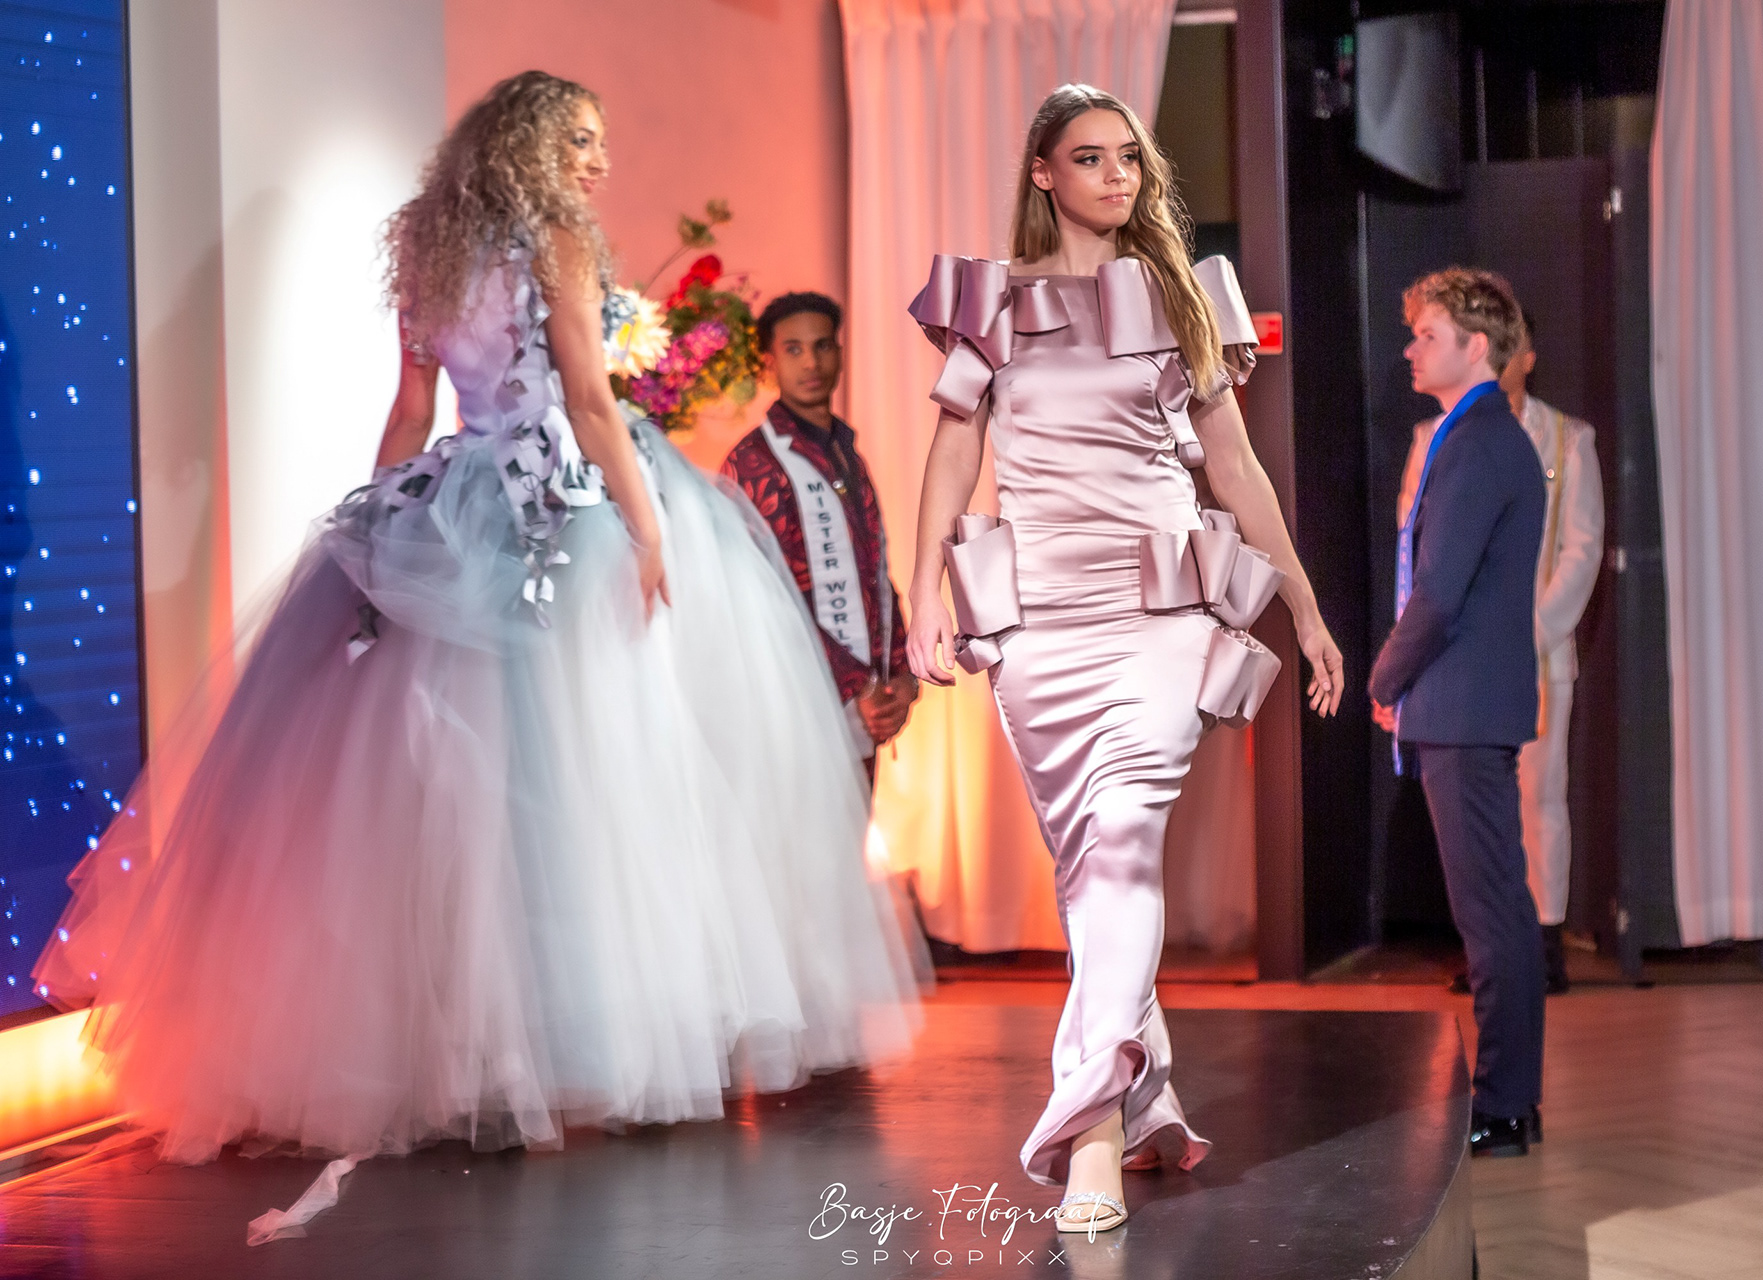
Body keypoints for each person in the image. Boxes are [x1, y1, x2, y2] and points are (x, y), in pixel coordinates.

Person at [33, 70, 918, 1236]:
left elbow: (414, 410)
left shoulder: (430, 245)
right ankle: (577, 1039)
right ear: (536, 144)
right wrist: (650, 526)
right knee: (588, 786)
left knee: (469, 801)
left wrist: (379, 525)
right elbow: (589, 401)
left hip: (461, 500)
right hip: (564, 509)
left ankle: (475, 1053)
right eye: (583, 138)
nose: (600, 159)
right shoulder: (555, 236)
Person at [905, 83, 1344, 1234]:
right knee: (1092, 870)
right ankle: (1147, 1101)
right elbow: (953, 455)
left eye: (1131, 160)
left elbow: (1235, 470)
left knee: (1126, 847)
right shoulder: (993, 304)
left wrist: (1303, 606)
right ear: (1042, 172)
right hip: (1039, 626)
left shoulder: (1181, 294)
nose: (1118, 176)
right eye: (1092, 157)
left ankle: (1089, 1133)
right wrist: (919, 589)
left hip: (1157, 614)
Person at [1370, 267, 1546, 1159]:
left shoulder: (1478, 443)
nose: (1411, 349)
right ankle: (1511, 1101)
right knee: (1494, 910)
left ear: (1477, 347)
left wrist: (1384, 679)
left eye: (1428, 335)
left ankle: (1505, 1106)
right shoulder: (1475, 435)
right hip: (1464, 706)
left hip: (1463, 707)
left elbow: (1438, 594)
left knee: (1491, 917)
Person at [1397, 313, 1603, 994]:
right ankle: (1489, 945)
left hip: (1538, 654)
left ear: (1527, 357)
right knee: (1473, 807)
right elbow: (1417, 551)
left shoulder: (1568, 439)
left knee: (1540, 797)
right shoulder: (1433, 439)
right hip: (1458, 659)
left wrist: (1529, 632)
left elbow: (1581, 551)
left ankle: (1542, 942)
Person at [722, 292, 917, 780]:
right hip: (795, 706)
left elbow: (874, 574)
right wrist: (856, 686)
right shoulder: (753, 463)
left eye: (823, 346)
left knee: (853, 829)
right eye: (793, 349)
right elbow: (762, 598)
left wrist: (900, 676)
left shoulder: (847, 453)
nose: (811, 362)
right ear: (769, 362)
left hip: (867, 705)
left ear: (840, 353)